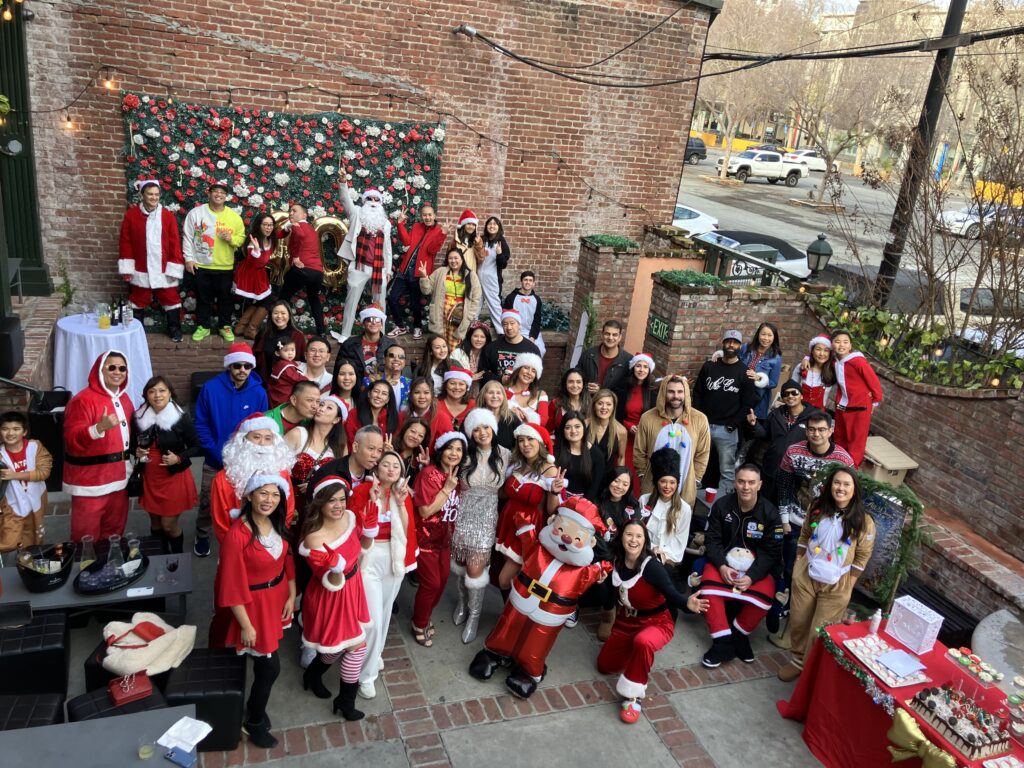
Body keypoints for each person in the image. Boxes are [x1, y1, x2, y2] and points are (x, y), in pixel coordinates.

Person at [468, 497, 610, 699]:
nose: (566, 538)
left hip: (550, 614)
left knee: (538, 642)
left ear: (590, 542)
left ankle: (529, 672)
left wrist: (602, 569)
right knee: (508, 626)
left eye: (576, 537)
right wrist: (524, 525)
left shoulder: (581, 571)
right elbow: (527, 539)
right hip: (520, 601)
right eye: (561, 530)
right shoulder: (539, 549)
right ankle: (494, 653)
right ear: (552, 522)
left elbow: (597, 572)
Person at [212, 474, 296, 749]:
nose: (269, 500)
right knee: (270, 668)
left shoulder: (277, 521)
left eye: (275, 494)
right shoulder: (237, 536)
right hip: (254, 607)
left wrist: (291, 594)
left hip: (276, 599)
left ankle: (254, 710)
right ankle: (254, 720)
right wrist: (246, 625)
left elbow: (287, 559)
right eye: (263, 493)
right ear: (249, 495)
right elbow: (231, 586)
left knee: (265, 665)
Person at [598, 521, 709, 723]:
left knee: (643, 642)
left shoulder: (652, 567)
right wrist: (599, 580)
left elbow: (671, 593)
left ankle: (633, 697)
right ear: (621, 537)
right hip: (625, 623)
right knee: (605, 666)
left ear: (645, 540)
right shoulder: (615, 560)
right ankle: (636, 653)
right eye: (629, 534)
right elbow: (609, 593)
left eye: (639, 536)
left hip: (656, 622)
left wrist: (687, 604)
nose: (633, 540)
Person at [777, 466, 876, 682]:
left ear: (854, 489)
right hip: (807, 574)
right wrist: (798, 562)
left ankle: (810, 670)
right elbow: (805, 534)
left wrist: (849, 584)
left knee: (820, 629)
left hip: (838, 582)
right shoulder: (817, 507)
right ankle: (797, 660)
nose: (841, 488)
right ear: (830, 485)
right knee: (799, 620)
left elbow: (862, 556)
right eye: (837, 483)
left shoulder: (864, 520)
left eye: (846, 484)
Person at [772, 412, 854, 638]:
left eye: (821, 430)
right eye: (811, 429)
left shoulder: (843, 459)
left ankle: (809, 611)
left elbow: (849, 492)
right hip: (796, 520)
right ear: (806, 431)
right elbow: (784, 486)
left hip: (826, 527)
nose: (816, 434)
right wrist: (785, 520)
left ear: (830, 431)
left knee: (820, 568)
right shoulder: (794, 452)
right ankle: (789, 605)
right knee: (792, 566)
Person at [296, 476, 371, 719]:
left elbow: (360, 548)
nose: (339, 505)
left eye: (342, 499)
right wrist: (336, 568)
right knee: (356, 648)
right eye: (332, 501)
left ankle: (312, 674)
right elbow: (329, 583)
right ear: (320, 503)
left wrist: (370, 532)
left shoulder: (349, 517)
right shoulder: (314, 538)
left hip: (353, 587)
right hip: (331, 598)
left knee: (338, 646)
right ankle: (345, 702)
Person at [698, 464, 784, 669]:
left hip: (756, 569)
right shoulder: (721, 505)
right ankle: (722, 641)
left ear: (759, 485)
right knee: (708, 589)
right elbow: (712, 540)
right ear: (735, 483)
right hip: (724, 563)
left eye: (751, 482)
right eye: (742, 481)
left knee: (765, 598)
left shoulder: (771, 513)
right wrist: (721, 566)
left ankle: (738, 633)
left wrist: (752, 576)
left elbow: (771, 552)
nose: (746, 487)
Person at [349, 452, 418, 698]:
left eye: (396, 466)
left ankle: (375, 653)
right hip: (369, 557)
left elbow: (407, 530)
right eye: (386, 464)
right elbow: (353, 527)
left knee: (386, 612)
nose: (391, 469)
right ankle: (365, 676)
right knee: (373, 619)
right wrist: (371, 500)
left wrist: (400, 504)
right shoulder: (361, 491)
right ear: (376, 468)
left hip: (393, 555)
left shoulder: (402, 493)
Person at [193, 342, 269, 556]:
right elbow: (201, 423)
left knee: (245, 499)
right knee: (208, 500)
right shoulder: (210, 388)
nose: (242, 370)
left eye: (247, 366)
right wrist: (216, 452)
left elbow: (261, 426)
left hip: (247, 460)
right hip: (215, 459)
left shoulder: (259, 393)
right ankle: (202, 533)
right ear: (229, 366)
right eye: (237, 366)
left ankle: (242, 535)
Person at [451, 409, 511, 644]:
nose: (482, 432)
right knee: (460, 564)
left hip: (486, 518)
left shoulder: (506, 454)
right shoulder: (464, 453)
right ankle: (462, 603)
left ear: (493, 429)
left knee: (475, 569)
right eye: (476, 429)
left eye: (485, 427)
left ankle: (474, 616)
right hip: (462, 515)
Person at [64, 351, 134, 542]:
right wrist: (99, 428)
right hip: (90, 482)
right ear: (100, 370)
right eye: (111, 367)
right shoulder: (82, 400)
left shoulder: (125, 400)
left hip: (120, 479)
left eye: (122, 368)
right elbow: (71, 440)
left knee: (114, 534)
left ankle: (109, 561)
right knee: (85, 537)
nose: (117, 372)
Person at [132, 376, 200, 554]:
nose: (157, 395)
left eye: (162, 390)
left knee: (168, 524)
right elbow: (132, 446)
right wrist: (136, 451)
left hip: (173, 477)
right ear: (146, 395)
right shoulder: (138, 417)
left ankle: (177, 558)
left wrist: (178, 458)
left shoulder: (180, 417)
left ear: (170, 393)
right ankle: (160, 556)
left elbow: (196, 446)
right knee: (155, 523)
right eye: (152, 391)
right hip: (150, 478)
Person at [411, 431, 465, 647]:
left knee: (442, 582)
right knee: (431, 584)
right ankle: (419, 623)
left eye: (459, 449)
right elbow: (424, 511)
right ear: (441, 451)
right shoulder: (429, 474)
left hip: (444, 540)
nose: (454, 453)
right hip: (425, 540)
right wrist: (446, 489)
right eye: (450, 448)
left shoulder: (457, 476)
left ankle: (425, 616)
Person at [495, 423, 563, 590]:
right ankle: (511, 606)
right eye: (521, 440)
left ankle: (516, 606)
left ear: (539, 442)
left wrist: (554, 492)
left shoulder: (550, 470)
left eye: (530, 439)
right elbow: (505, 493)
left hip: (527, 530)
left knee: (504, 580)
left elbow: (552, 510)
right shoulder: (517, 464)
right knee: (512, 579)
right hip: (508, 523)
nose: (525, 444)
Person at [208, 417, 297, 545]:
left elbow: (288, 509)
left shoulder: (282, 474)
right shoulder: (222, 478)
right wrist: (233, 547)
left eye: (268, 438)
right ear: (243, 440)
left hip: (274, 539)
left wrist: (278, 538)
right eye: (256, 437)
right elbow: (220, 521)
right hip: (238, 543)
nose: (262, 443)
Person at [692, 330, 759, 497]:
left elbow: (748, 404)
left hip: (727, 430)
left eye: (735, 342)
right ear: (723, 343)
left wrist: (732, 424)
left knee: (727, 471)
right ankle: (690, 497)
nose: (731, 345)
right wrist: (698, 417)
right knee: (696, 463)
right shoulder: (709, 366)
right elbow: (698, 392)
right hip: (704, 426)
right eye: (728, 341)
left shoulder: (745, 373)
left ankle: (723, 502)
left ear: (740, 346)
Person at [118, 179, 185, 341]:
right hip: (141, 268)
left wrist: (174, 266)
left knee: (171, 299)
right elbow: (125, 242)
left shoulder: (167, 216)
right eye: (150, 194)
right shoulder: (131, 215)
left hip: (164, 268)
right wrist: (127, 267)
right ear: (142, 195)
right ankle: (136, 331)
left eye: (156, 194)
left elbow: (175, 243)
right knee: (137, 300)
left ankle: (174, 329)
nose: (154, 197)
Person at [633, 375, 710, 508]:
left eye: (680, 392)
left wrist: (695, 479)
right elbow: (639, 450)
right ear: (663, 392)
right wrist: (643, 475)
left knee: (680, 518)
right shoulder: (648, 418)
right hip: (652, 485)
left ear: (686, 394)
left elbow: (703, 452)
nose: (676, 396)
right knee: (649, 518)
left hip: (685, 486)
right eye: (671, 391)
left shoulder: (699, 419)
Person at [183, 179, 245, 343]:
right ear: (209, 194)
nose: (219, 195)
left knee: (225, 298)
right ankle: (203, 326)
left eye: (222, 193)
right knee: (203, 298)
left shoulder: (234, 217)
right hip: (201, 264)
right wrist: (188, 259)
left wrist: (231, 239)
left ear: (226, 196)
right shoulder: (196, 213)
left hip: (225, 266)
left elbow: (241, 239)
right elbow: (187, 237)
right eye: (215, 191)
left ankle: (224, 326)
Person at [746, 381, 821, 505]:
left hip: (796, 473)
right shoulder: (776, 414)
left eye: (794, 393)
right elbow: (764, 434)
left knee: (786, 508)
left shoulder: (814, 417)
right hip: (772, 468)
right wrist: (754, 425)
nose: (790, 396)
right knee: (765, 504)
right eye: (786, 394)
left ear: (801, 396)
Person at [338, 186, 393, 338]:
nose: (373, 202)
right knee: (351, 302)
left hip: (379, 268)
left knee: (380, 304)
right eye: (370, 198)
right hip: (359, 266)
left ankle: (380, 337)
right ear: (364, 201)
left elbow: (387, 249)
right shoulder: (357, 214)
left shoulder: (385, 223)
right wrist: (343, 183)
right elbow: (345, 199)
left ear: (381, 203)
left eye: (376, 199)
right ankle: (345, 335)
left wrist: (388, 270)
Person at [389, 202, 446, 339]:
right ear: (421, 216)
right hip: (405, 270)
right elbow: (407, 241)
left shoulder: (438, 230)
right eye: (425, 215)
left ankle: (418, 328)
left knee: (415, 304)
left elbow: (431, 250)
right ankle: (400, 326)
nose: (427, 217)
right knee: (392, 298)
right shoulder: (416, 227)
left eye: (430, 215)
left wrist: (442, 235)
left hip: (419, 272)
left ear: (434, 216)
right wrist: (400, 224)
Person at [285, 394, 348, 511]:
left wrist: (314, 485)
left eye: (329, 408)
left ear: (337, 419)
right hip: (289, 500)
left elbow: (340, 482)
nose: (321, 409)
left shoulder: (339, 447)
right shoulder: (298, 434)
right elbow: (278, 467)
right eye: (321, 405)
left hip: (318, 508)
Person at [0, 411, 52, 551]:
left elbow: (44, 472)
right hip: (11, 506)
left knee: (35, 539)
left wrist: (14, 475)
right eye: (5, 429)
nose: (10, 433)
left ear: (24, 432)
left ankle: (28, 561)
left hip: (36, 502)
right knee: (9, 541)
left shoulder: (35, 447)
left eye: (16, 429)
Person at [831, 330, 883, 467]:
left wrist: (875, 401)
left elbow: (873, 381)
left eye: (845, 342)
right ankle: (837, 464)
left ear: (850, 345)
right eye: (837, 342)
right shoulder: (835, 361)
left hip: (859, 406)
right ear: (832, 345)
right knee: (839, 436)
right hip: (842, 405)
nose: (841, 345)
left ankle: (852, 468)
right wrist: (806, 358)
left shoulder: (858, 361)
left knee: (856, 441)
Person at [636, 447, 692, 567]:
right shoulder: (644, 500)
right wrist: (651, 548)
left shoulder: (685, 509)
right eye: (663, 481)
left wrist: (662, 553)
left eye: (672, 482)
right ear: (657, 482)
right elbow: (637, 532)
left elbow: (680, 542)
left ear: (677, 484)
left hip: (668, 559)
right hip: (642, 552)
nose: (667, 486)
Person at [419, 246, 482, 351]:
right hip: (440, 315)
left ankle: (452, 362)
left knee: (454, 347)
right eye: (450, 258)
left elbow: (476, 298)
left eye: (456, 258)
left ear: (462, 259)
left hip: (458, 316)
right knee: (440, 345)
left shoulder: (471, 275)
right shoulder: (440, 272)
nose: (453, 261)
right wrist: (424, 276)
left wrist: (469, 316)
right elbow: (426, 290)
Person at [277, 202, 327, 336]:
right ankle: (321, 332)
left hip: (303, 268)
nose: (291, 213)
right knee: (314, 299)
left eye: (294, 211)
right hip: (317, 272)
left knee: (283, 298)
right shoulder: (311, 228)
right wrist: (287, 226)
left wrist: (295, 257)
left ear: (304, 215)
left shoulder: (297, 226)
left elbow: (299, 235)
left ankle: (282, 330)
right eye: (290, 211)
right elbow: (280, 235)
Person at [615, 353, 658, 491]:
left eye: (645, 367)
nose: (641, 370)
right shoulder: (622, 388)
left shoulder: (653, 392)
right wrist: (628, 426)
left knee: (638, 474)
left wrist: (642, 427)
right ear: (633, 367)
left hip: (642, 439)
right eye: (638, 366)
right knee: (622, 470)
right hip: (624, 436)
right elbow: (615, 414)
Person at [232, 213, 275, 339]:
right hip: (250, 274)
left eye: (271, 225)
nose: (268, 227)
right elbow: (253, 262)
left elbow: (280, 233)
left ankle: (241, 327)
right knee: (268, 300)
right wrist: (256, 250)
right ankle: (250, 329)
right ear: (259, 226)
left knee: (263, 300)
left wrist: (289, 225)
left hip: (259, 273)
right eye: (265, 225)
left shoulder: (270, 238)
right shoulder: (253, 242)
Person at [309, 424, 384, 497]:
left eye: (379, 450)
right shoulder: (329, 473)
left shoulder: (375, 475)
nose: (375, 455)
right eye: (371, 448)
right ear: (355, 447)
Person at [333, 305, 396, 385]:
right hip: (355, 387)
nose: (373, 322)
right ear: (363, 324)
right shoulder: (349, 344)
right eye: (369, 319)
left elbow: (396, 370)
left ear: (382, 324)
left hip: (383, 388)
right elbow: (338, 370)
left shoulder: (390, 344)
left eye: (377, 320)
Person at [478, 309, 540, 384]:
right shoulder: (491, 348)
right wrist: (500, 379)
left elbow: (536, 376)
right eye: (505, 324)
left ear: (519, 325)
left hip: (521, 389)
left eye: (512, 323)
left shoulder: (532, 349)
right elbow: (482, 373)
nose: (509, 327)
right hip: (497, 389)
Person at [554, 410, 605, 500]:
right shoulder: (556, 450)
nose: (573, 431)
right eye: (568, 427)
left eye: (577, 426)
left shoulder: (596, 455)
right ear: (563, 430)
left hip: (583, 502)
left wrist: (581, 505)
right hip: (557, 498)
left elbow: (594, 488)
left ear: (584, 428)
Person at [254, 301, 307, 383]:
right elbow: (255, 356)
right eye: (276, 313)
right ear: (271, 315)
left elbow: (303, 362)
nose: (279, 316)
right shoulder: (264, 334)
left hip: (287, 384)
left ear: (289, 315)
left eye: (283, 313)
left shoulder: (297, 336)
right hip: (263, 381)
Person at [739, 323, 783, 421]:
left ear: (774, 337)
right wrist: (719, 357)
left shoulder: (776, 358)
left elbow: (773, 383)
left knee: (750, 425)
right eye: (763, 334)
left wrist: (758, 378)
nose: (766, 338)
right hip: (738, 392)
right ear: (758, 334)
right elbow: (734, 360)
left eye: (770, 335)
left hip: (757, 399)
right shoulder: (746, 348)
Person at [579, 320, 631, 395]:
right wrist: (585, 386)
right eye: (607, 334)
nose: (610, 338)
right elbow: (577, 377)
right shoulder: (588, 355)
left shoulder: (628, 360)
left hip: (613, 402)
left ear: (620, 337)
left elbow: (627, 390)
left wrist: (601, 392)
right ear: (602, 335)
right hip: (587, 400)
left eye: (614, 335)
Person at [478, 216, 511, 330]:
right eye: (489, 224)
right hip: (477, 278)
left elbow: (503, 265)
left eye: (494, 224)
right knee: (475, 305)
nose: (492, 226)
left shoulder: (502, 242)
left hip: (492, 280)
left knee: (495, 306)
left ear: (499, 227)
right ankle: (471, 330)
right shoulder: (481, 240)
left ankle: (501, 332)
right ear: (486, 226)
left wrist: (499, 253)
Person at [345, 380, 399, 449]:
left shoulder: (392, 418)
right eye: (376, 391)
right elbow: (350, 441)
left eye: (384, 394)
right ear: (369, 394)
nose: (379, 396)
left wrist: (386, 451)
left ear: (387, 400)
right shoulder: (354, 413)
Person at [502, 270, 545, 356]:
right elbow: (505, 317)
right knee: (520, 352)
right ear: (521, 281)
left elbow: (537, 320)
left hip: (531, 331)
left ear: (533, 283)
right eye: (525, 280)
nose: (528, 282)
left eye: (530, 280)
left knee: (541, 351)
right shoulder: (511, 297)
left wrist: (532, 337)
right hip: (516, 331)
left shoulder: (537, 299)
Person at [478, 379, 522, 451]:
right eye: (490, 393)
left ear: (503, 397)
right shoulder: (474, 418)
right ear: (483, 396)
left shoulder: (513, 419)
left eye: (498, 393)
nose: (495, 396)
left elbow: (520, 446)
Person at [588, 389, 627, 467]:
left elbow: (621, 457)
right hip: (585, 472)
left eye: (608, 404)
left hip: (608, 473)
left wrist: (621, 473)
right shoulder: (584, 425)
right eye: (600, 403)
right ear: (594, 406)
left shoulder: (621, 431)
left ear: (613, 407)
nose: (604, 407)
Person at [506, 352, 548, 425]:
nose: (529, 372)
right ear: (518, 370)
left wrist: (526, 417)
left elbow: (543, 422)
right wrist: (510, 411)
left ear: (535, 377)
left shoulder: (540, 395)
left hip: (531, 432)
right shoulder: (505, 391)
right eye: (526, 368)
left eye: (533, 371)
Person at [449, 322, 491, 393]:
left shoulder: (489, 354)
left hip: (483, 390)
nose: (479, 339)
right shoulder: (458, 353)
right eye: (475, 336)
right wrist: (469, 377)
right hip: (460, 390)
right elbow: (451, 373)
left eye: (482, 337)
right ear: (470, 337)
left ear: (486, 339)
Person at [433, 367, 476, 435]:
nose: (457, 387)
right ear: (445, 386)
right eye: (452, 383)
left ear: (467, 387)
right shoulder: (435, 405)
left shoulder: (474, 405)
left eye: (461, 384)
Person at [547, 368, 590, 434]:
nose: (575, 385)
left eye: (578, 382)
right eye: (571, 382)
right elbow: (547, 430)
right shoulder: (555, 403)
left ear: (583, 384)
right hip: (560, 440)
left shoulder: (591, 404)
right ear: (565, 384)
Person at [799, 335, 836, 410]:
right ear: (812, 351)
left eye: (826, 350)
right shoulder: (803, 367)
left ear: (830, 353)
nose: (822, 354)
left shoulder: (833, 372)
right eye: (818, 349)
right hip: (798, 411)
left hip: (818, 414)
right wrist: (806, 358)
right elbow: (791, 387)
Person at [268, 338, 307, 408]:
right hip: (284, 397)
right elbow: (297, 378)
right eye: (286, 350)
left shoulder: (279, 364)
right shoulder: (286, 366)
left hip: (276, 394)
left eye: (292, 350)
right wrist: (308, 380)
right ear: (277, 353)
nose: (290, 353)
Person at [391, 417, 431, 485]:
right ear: (405, 430)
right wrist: (384, 455)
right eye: (413, 431)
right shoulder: (390, 447)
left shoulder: (418, 460)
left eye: (420, 436)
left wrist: (424, 468)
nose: (415, 437)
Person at [379, 344, 411, 411]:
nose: (396, 359)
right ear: (384, 359)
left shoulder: (411, 384)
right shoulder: (372, 382)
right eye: (391, 356)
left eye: (401, 357)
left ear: (404, 361)